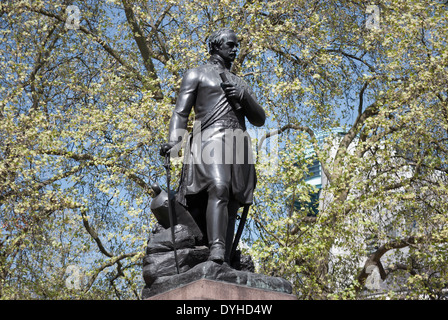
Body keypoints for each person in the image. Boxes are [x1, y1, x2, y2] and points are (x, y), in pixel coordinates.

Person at [160, 28, 265, 264]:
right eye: (230, 44)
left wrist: (244, 96)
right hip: (209, 137)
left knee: (234, 198)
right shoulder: (196, 74)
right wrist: (175, 144)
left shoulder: (240, 83)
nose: (235, 49)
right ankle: (216, 248)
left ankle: (225, 258)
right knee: (218, 186)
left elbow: (260, 119)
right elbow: (180, 112)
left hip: (238, 141)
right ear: (216, 46)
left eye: (236, 45)